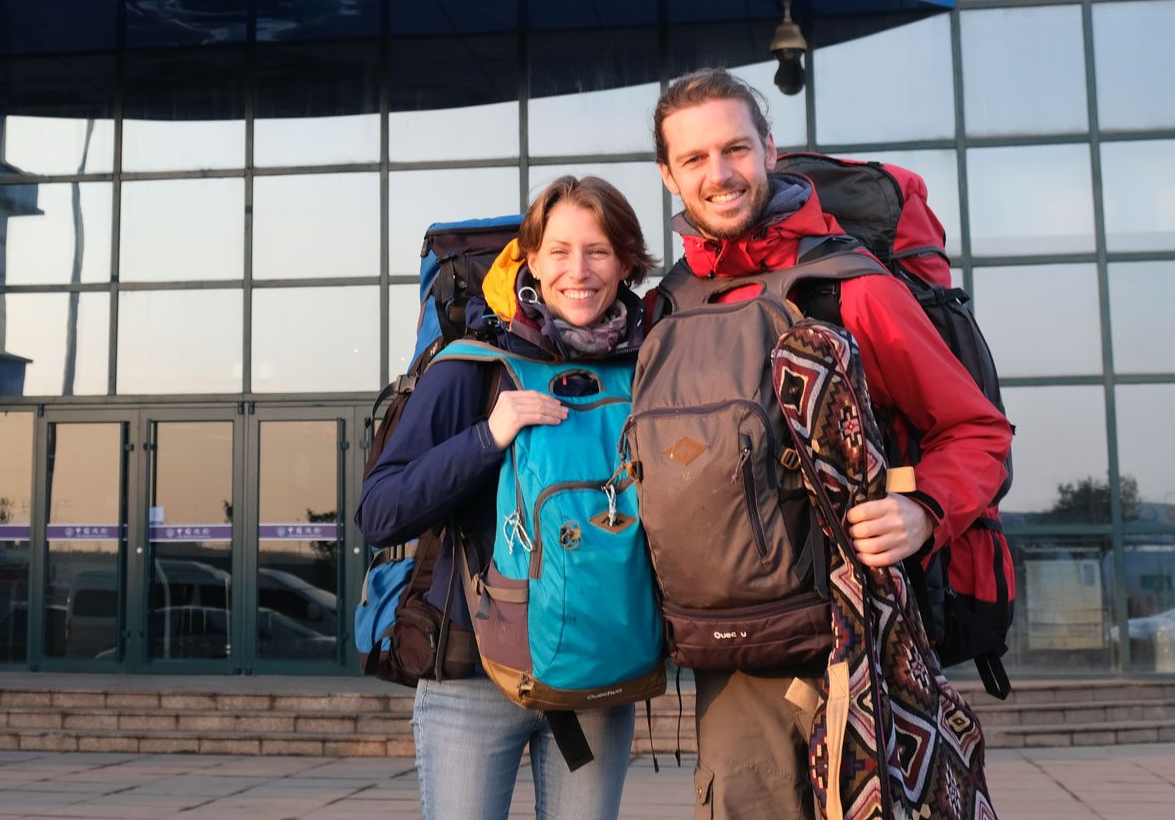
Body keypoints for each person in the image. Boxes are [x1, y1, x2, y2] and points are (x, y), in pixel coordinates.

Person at [649, 68, 1012, 820]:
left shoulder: (850, 287)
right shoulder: (667, 307)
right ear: (668, 176)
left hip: (850, 645)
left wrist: (924, 511)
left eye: (735, 150)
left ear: (769, 150)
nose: (719, 176)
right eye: (694, 159)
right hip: (725, 658)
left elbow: (977, 432)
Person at [357, 175, 658, 820]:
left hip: (598, 673)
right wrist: (488, 436)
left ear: (627, 261)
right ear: (530, 260)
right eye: (559, 251)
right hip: (470, 676)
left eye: (599, 251)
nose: (579, 270)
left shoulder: (650, 367)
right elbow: (380, 513)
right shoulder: (472, 364)